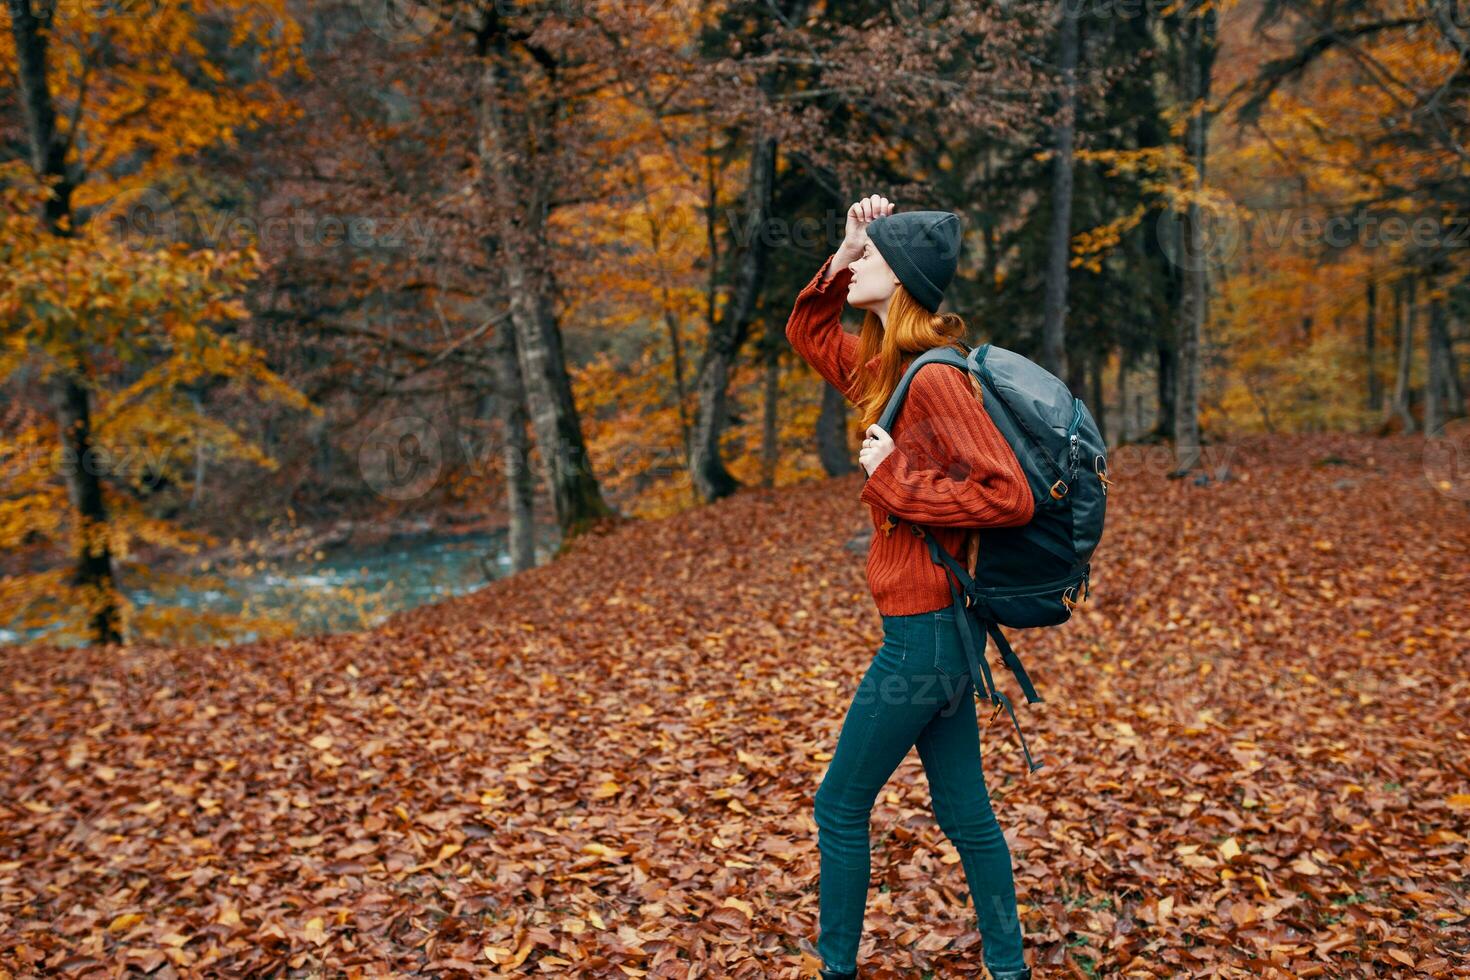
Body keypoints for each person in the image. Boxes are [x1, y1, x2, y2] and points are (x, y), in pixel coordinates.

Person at [785, 195, 1036, 980]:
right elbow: (807, 329)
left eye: (870, 258)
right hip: (940, 635)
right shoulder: (888, 367)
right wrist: (850, 236)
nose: (855, 266)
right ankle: (1009, 969)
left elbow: (1009, 496)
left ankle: (836, 970)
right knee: (966, 815)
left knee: (838, 805)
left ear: (901, 283)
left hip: (925, 639)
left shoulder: (933, 382)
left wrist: (894, 479)